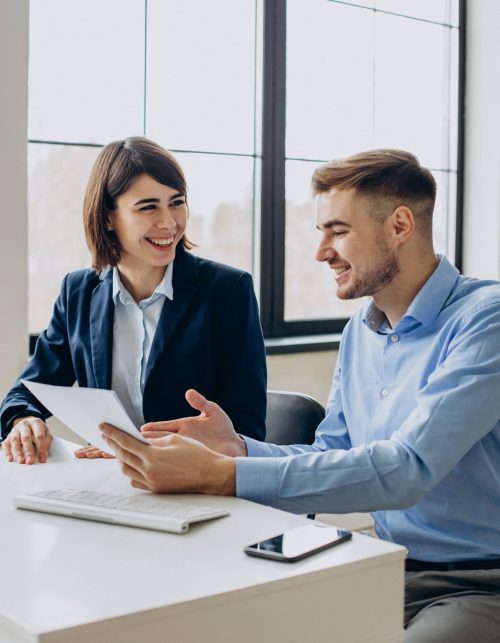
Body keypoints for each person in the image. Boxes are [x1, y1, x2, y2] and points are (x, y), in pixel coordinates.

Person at [99, 149, 500, 642]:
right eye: (320, 233)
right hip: (380, 564)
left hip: (479, 581)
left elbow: (407, 469)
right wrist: (240, 450)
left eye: (338, 231)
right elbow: (332, 453)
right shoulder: (362, 330)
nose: (321, 252)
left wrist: (224, 476)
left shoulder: (486, 319)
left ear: (399, 225)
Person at [0, 136, 266, 464]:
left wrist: (148, 448)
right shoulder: (78, 292)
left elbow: (247, 429)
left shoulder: (228, 291)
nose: (169, 222)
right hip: (109, 482)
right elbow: (27, 389)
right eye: (148, 206)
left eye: (177, 202)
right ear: (109, 216)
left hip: (196, 484)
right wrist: (23, 420)